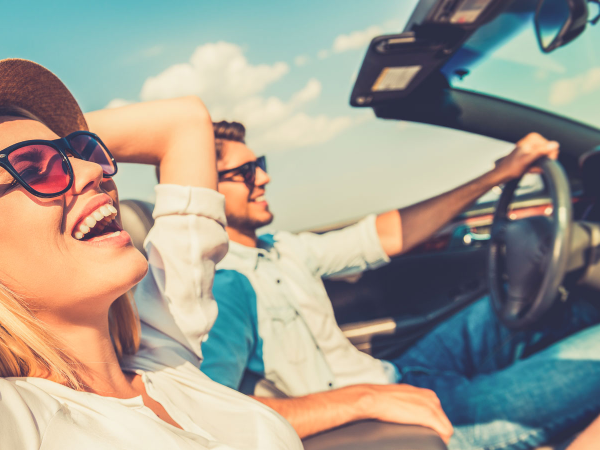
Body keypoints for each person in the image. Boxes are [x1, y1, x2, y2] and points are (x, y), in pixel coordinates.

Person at [200, 120, 600, 449]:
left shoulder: (283, 249)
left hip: (402, 373)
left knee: (525, 304)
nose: (265, 178)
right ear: (206, 191)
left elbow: (386, 235)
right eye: (247, 172)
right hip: (396, 421)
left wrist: (499, 174)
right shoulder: (221, 286)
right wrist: (363, 401)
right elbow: (219, 415)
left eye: (261, 163)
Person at [0, 59, 302, 450]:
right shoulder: (20, 417)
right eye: (34, 168)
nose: (93, 171)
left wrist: (55, 128)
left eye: (81, 150)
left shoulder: (164, 350)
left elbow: (184, 122)